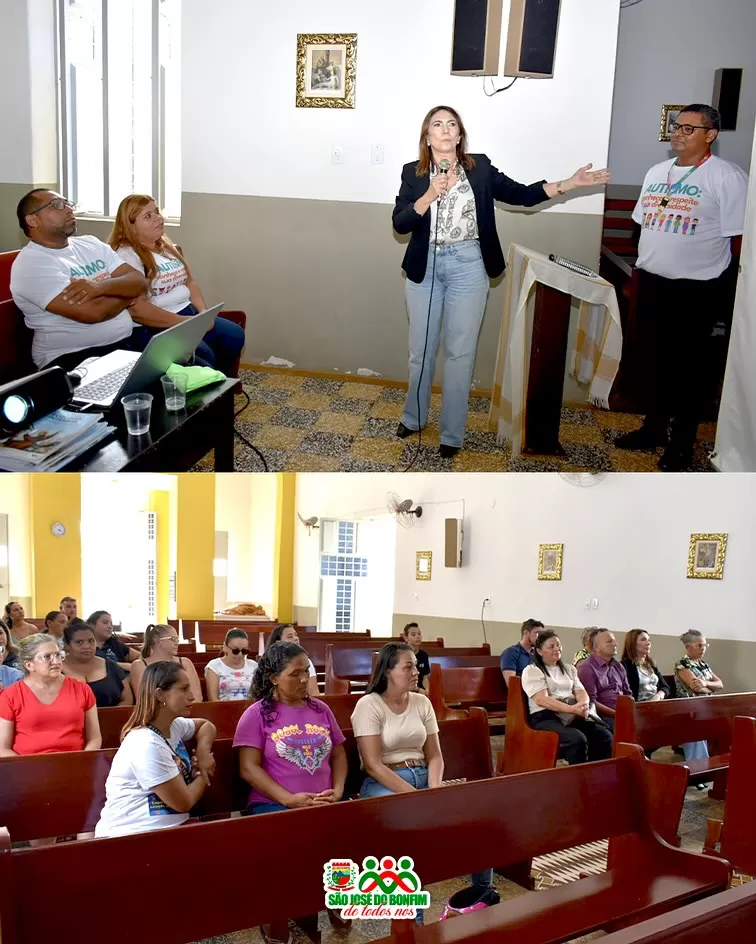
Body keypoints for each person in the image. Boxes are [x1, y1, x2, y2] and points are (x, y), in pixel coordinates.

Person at [392, 105, 611, 458]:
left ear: (459, 136)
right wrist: (430, 194)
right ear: (427, 137)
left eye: (452, 124)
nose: (446, 130)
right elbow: (401, 223)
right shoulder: (413, 173)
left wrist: (568, 184)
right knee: (422, 353)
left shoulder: (479, 169)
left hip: (468, 265)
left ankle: (452, 433)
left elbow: (522, 195)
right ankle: (414, 418)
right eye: (437, 124)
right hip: (425, 268)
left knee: (460, 353)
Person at [616, 104, 749, 471]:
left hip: (699, 289)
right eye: (678, 126)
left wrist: (732, 292)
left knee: (690, 370)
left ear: (711, 135)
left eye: (690, 128)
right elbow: (641, 225)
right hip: (655, 284)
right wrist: (640, 275)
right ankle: (653, 428)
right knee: (654, 362)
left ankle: (683, 443)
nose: (679, 132)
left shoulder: (726, 177)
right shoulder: (657, 172)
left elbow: (738, 240)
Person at [351, 643, 497, 911]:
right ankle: (412, 920)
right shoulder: (368, 705)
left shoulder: (421, 702)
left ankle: (482, 892)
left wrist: (435, 789)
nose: (415, 672)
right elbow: (372, 764)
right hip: (385, 782)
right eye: (407, 667)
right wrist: (416, 797)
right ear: (387, 672)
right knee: (412, 826)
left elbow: (435, 756)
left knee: (479, 814)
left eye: (416, 666)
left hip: (424, 775)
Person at [10, 189, 149, 370]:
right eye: (57, 205)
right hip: (73, 358)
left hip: (123, 345)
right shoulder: (32, 264)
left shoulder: (91, 243)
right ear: (32, 220)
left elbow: (139, 280)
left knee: (177, 382)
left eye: (68, 203)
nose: (68, 209)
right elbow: (92, 313)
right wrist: (128, 294)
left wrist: (99, 288)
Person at [108, 195, 245, 376]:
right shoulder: (126, 256)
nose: (158, 217)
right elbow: (137, 310)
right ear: (130, 225)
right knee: (204, 358)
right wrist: (185, 324)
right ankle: (202, 385)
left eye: (156, 212)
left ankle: (216, 387)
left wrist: (203, 314)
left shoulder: (168, 247)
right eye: (148, 216)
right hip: (155, 324)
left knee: (233, 336)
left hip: (187, 313)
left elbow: (190, 282)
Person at [95, 661, 217, 838]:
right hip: (133, 834)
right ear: (160, 695)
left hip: (168, 828)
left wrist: (203, 753)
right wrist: (202, 772)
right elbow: (184, 802)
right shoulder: (145, 743)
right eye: (183, 689)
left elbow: (206, 726)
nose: (192, 697)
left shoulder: (173, 725)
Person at [234, 641, 347, 812]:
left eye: (306, 671)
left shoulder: (321, 709)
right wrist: (288, 799)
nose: (304, 679)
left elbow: (338, 755)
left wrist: (338, 790)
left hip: (324, 801)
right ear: (274, 678)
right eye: (295, 674)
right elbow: (248, 768)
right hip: (274, 804)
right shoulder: (256, 714)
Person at [0, 633, 101, 755]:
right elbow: (3, 748)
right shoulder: (10, 696)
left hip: (75, 765)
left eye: (58, 655)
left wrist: (82, 762)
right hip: (26, 768)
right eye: (47, 657)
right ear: (29, 665)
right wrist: (26, 770)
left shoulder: (82, 689)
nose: (56, 661)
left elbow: (94, 738)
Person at [521, 630, 613, 765]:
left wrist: (582, 705)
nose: (557, 649)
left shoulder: (569, 669)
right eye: (551, 646)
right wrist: (572, 709)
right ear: (540, 651)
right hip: (546, 717)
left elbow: (581, 691)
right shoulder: (532, 670)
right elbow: (542, 700)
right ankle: (575, 778)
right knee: (576, 739)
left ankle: (594, 773)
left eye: (558, 645)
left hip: (571, 714)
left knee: (603, 735)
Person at [675, 630, 724, 769]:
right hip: (688, 707)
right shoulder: (682, 664)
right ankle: (698, 768)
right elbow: (696, 687)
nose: (703, 648)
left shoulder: (704, 664)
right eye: (699, 645)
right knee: (696, 725)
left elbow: (720, 684)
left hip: (707, 705)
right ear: (688, 647)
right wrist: (709, 687)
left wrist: (706, 683)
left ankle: (719, 764)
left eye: (705, 645)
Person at [60, 621, 133, 707]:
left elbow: (127, 699)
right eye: (79, 642)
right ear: (67, 645)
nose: (87, 646)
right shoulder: (57, 669)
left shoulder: (109, 665)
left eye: (91, 641)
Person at [128, 624, 203, 702]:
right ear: (157, 640)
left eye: (177, 640)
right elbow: (144, 701)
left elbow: (197, 697)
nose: (177, 643)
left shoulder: (185, 663)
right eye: (172, 639)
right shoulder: (139, 665)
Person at [577, 629, 632, 732]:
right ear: (596, 647)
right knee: (627, 730)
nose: (615, 644)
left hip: (621, 713)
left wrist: (630, 711)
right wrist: (616, 714)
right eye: (609, 641)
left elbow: (627, 693)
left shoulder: (618, 666)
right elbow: (591, 702)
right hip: (603, 716)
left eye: (614, 640)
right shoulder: (587, 667)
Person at [204, 628, 258, 701]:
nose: (240, 654)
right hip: (223, 709)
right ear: (225, 647)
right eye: (235, 651)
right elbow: (213, 699)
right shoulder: (214, 666)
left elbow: (259, 695)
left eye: (244, 651)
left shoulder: (254, 666)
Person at [267, 625, 319, 697]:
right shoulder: (269, 663)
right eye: (290, 636)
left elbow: (314, 693)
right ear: (278, 642)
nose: (296, 638)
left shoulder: (306, 662)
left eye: (296, 635)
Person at [620, 629, 670, 702]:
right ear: (633, 643)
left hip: (657, 703)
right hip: (638, 706)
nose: (648, 643)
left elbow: (665, 687)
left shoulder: (651, 664)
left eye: (649, 640)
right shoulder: (625, 665)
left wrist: (659, 695)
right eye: (643, 640)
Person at [500, 618, 543, 686]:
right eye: (537, 633)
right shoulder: (510, 653)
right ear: (526, 633)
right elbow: (512, 684)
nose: (540, 637)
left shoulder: (538, 653)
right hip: (523, 693)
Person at [399, 622, 430, 691]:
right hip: (406, 690)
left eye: (419, 634)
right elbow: (402, 680)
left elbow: (425, 677)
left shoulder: (424, 655)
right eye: (413, 635)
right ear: (406, 638)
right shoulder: (401, 654)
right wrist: (418, 690)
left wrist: (427, 689)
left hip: (421, 691)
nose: (418, 636)